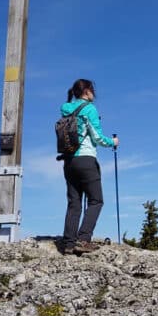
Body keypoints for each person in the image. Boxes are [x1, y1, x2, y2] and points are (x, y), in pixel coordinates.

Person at [60, 78, 118, 255]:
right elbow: (97, 138)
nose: (94, 93)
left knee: (74, 202)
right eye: (92, 90)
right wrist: (113, 142)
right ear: (86, 91)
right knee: (96, 200)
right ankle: (83, 239)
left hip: (69, 161)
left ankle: (69, 243)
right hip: (86, 159)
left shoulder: (66, 109)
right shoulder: (90, 109)